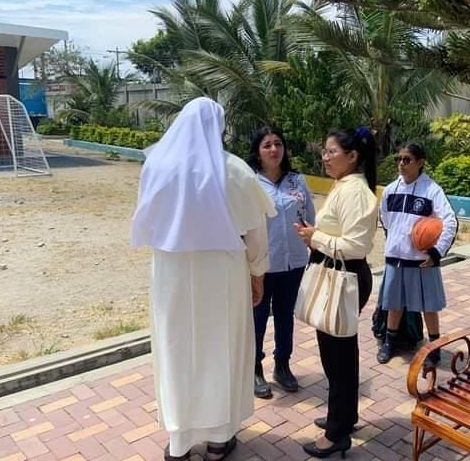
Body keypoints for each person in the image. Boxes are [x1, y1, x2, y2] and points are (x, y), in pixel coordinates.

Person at [131, 98, 276, 461]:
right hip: (222, 273)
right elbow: (256, 230)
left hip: (171, 275)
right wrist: (257, 272)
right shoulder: (233, 170)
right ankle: (218, 439)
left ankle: (179, 442)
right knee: (221, 349)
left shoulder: (156, 165)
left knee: (176, 350)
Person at [295, 127, 379, 458]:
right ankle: (344, 416)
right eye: (325, 151)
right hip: (336, 275)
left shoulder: (355, 192)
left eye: (332, 152)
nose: (325, 157)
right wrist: (315, 236)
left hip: (343, 278)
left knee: (337, 358)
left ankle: (337, 433)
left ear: (353, 156)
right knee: (340, 355)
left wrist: (315, 237)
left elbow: (356, 246)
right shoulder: (344, 186)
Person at [248, 126, 315, 399]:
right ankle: (255, 368)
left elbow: (310, 217)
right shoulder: (250, 183)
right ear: (258, 151)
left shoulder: (297, 181)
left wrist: (313, 243)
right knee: (257, 318)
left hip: (293, 262)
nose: (274, 149)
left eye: (278, 143)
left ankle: (283, 365)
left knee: (286, 315)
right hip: (261, 265)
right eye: (267, 145)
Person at [376, 142, 458, 365]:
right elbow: (385, 219)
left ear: (420, 162)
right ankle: (389, 342)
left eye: (407, 159)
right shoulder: (390, 190)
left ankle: (434, 347)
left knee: (428, 306)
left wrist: (436, 251)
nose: (401, 163)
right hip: (395, 258)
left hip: (422, 261)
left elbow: (450, 221)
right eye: (399, 159)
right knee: (394, 304)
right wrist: (397, 240)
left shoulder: (432, 190)